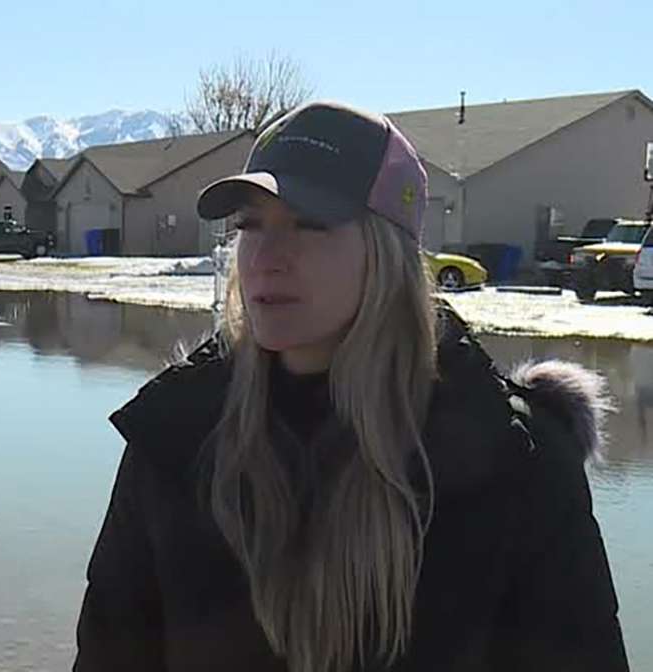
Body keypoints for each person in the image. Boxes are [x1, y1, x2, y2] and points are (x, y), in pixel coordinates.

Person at [74, 102, 628, 672]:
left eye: (308, 224)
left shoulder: (518, 463)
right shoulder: (177, 439)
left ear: (387, 252)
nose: (265, 256)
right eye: (249, 225)